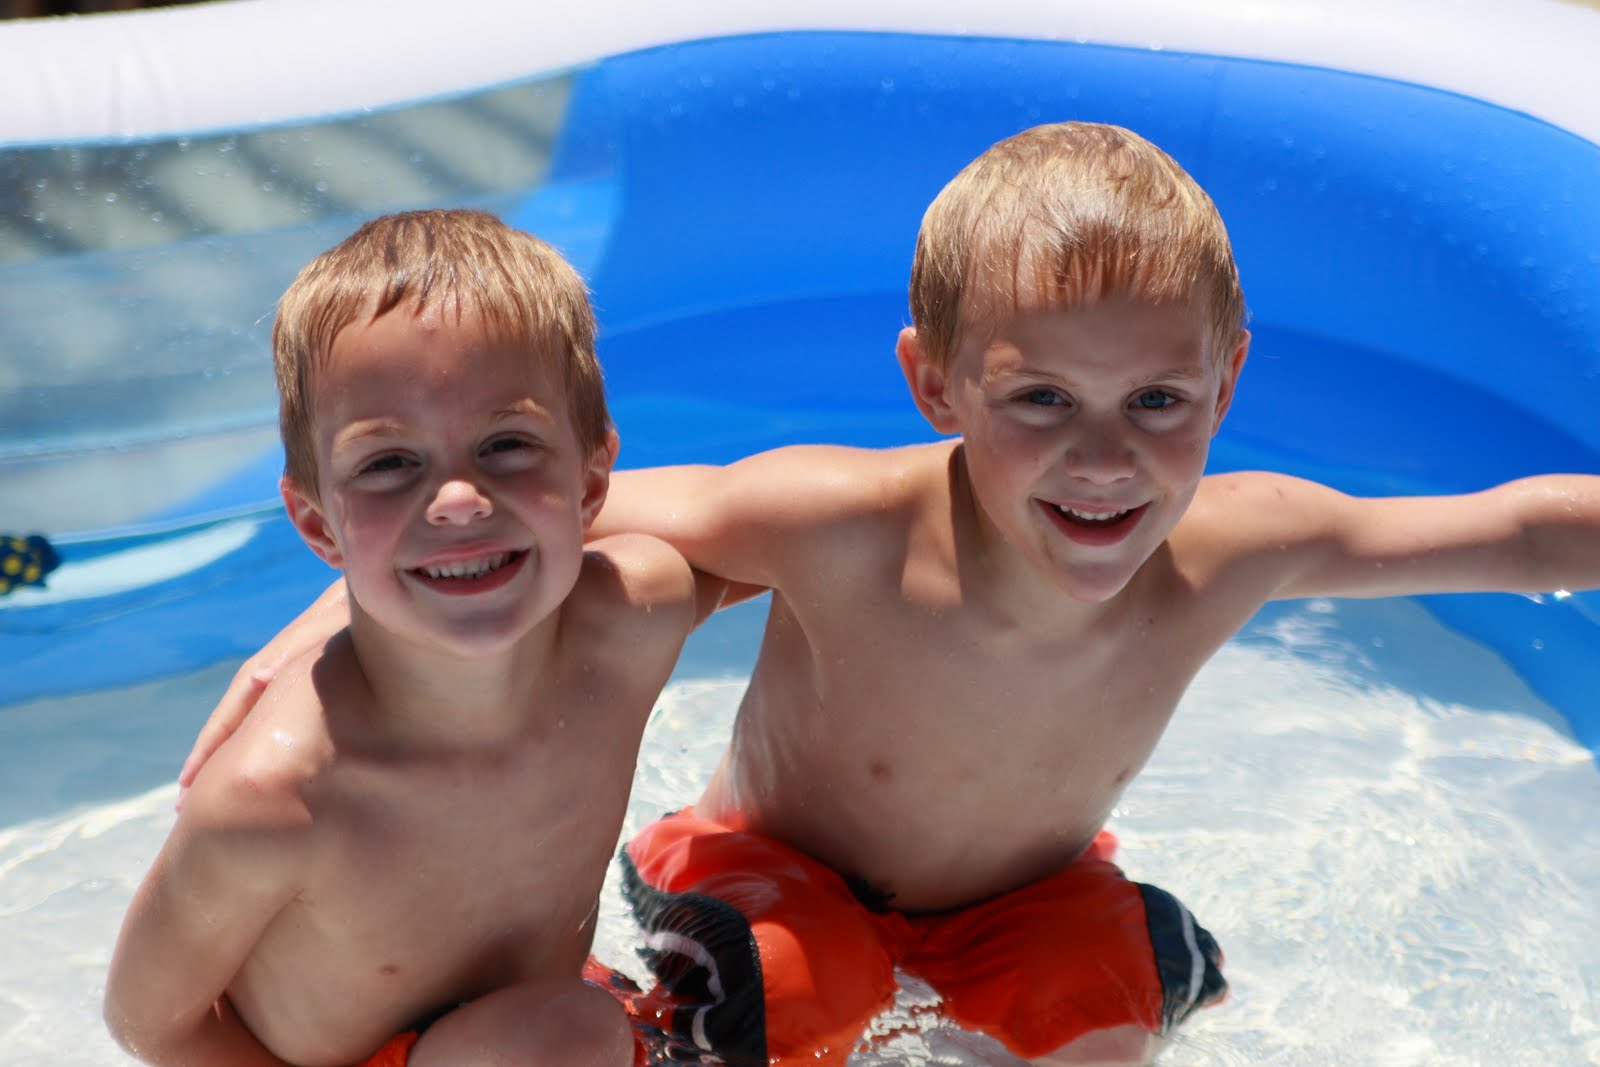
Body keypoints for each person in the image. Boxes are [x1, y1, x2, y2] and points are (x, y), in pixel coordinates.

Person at [179, 124, 1600, 1066]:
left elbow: (1521, 532)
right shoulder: (845, 522)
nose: (1102, 455)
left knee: (1110, 1014)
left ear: (1228, 384)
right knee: (791, 998)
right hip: (770, 878)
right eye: (1039, 396)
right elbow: (549, 522)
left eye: (1159, 399)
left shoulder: (1243, 544)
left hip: (1025, 892)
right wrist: (323, 620)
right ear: (934, 384)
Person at [105, 209, 726, 1067]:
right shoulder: (278, 799)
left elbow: (807, 542)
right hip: (430, 1048)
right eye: (390, 464)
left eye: (507, 444)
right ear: (318, 526)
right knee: (562, 1033)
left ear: (591, 482)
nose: (460, 502)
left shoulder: (631, 618)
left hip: (528, 1020)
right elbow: (149, 1019)